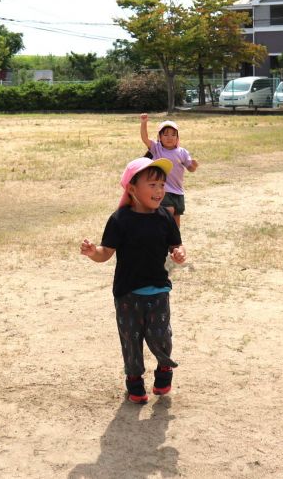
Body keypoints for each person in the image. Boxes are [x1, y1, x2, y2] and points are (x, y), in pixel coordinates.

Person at [80, 157, 188, 404]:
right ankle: (134, 382)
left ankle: (164, 369)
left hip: (158, 291)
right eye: (152, 185)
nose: (159, 191)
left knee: (162, 336)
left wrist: (179, 254)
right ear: (132, 188)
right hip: (127, 293)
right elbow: (105, 253)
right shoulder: (120, 220)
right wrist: (92, 252)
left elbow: (176, 246)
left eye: (162, 185)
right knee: (131, 339)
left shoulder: (165, 218)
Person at [139, 114, 198, 227]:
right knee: (168, 212)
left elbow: (190, 168)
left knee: (176, 220)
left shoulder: (182, 152)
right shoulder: (157, 148)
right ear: (159, 137)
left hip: (178, 191)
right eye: (165, 134)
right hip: (163, 190)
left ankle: (174, 242)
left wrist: (193, 166)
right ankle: (162, 239)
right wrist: (144, 123)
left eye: (173, 135)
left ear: (177, 137)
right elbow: (145, 138)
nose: (169, 137)